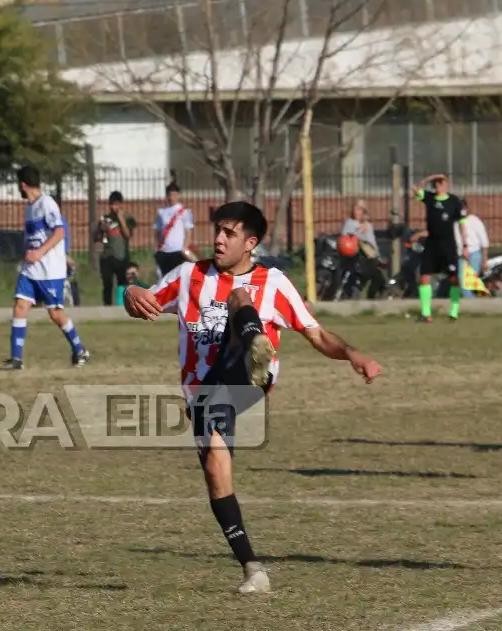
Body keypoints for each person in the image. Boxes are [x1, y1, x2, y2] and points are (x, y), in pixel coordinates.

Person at [123, 201, 383, 594]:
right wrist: (130, 292)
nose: (219, 239)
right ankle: (253, 569)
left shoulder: (273, 281)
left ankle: (254, 346)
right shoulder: (188, 274)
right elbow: (145, 301)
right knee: (215, 473)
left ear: (251, 242)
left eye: (229, 233)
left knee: (239, 298)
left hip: (248, 378)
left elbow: (316, 333)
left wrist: (351, 353)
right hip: (205, 394)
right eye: (218, 231)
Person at [2, 165, 90, 370]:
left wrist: (40, 253)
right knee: (20, 306)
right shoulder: (29, 208)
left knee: (55, 314)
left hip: (49, 271)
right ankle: (16, 359)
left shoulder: (47, 204)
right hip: (31, 269)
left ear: (23, 185)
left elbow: (59, 232)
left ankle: (79, 350)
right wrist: (28, 253)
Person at [413, 173, 467, 322]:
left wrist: (465, 244)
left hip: (448, 245)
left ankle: (454, 312)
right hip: (432, 244)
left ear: (447, 184)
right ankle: (426, 313)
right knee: (424, 277)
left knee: (453, 278)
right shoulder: (429, 198)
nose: (437, 186)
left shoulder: (454, 201)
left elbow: (462, 224)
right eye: (435, 184)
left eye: (440, 183)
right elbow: (415, 189)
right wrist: (429, 177)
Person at [95, 191, 135, 305]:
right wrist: (102, 229)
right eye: (112, 204)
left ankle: (122, 306)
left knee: (122, 284)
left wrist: (121, 219)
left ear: (121, 205)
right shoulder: (105, 218)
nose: (114, 207)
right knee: (107, 283)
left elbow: (128, 235)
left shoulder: (128, 218)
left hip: (122, 256)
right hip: (107, 256)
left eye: (117, 204)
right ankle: (107, 307)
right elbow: (97, 238)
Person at [153, 182, 195, 277]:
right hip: (164, 251)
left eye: (174, 195)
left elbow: (188, 232)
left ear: (178, 195)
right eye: (169, 195)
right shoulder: (161, 212)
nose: (171, 197)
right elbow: (157, 231)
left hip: (178, 251)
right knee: (165, 280)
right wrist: (157, 247)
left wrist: (184, 247)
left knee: (178, 280)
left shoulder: (184, 212)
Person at [454, 200, 490, 281]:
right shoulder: (455, 222)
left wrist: (484, 259)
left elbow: (484, 241)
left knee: (469, 282)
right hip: (461, 255)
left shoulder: (474, 220)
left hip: (474, 253)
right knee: (463, 281)